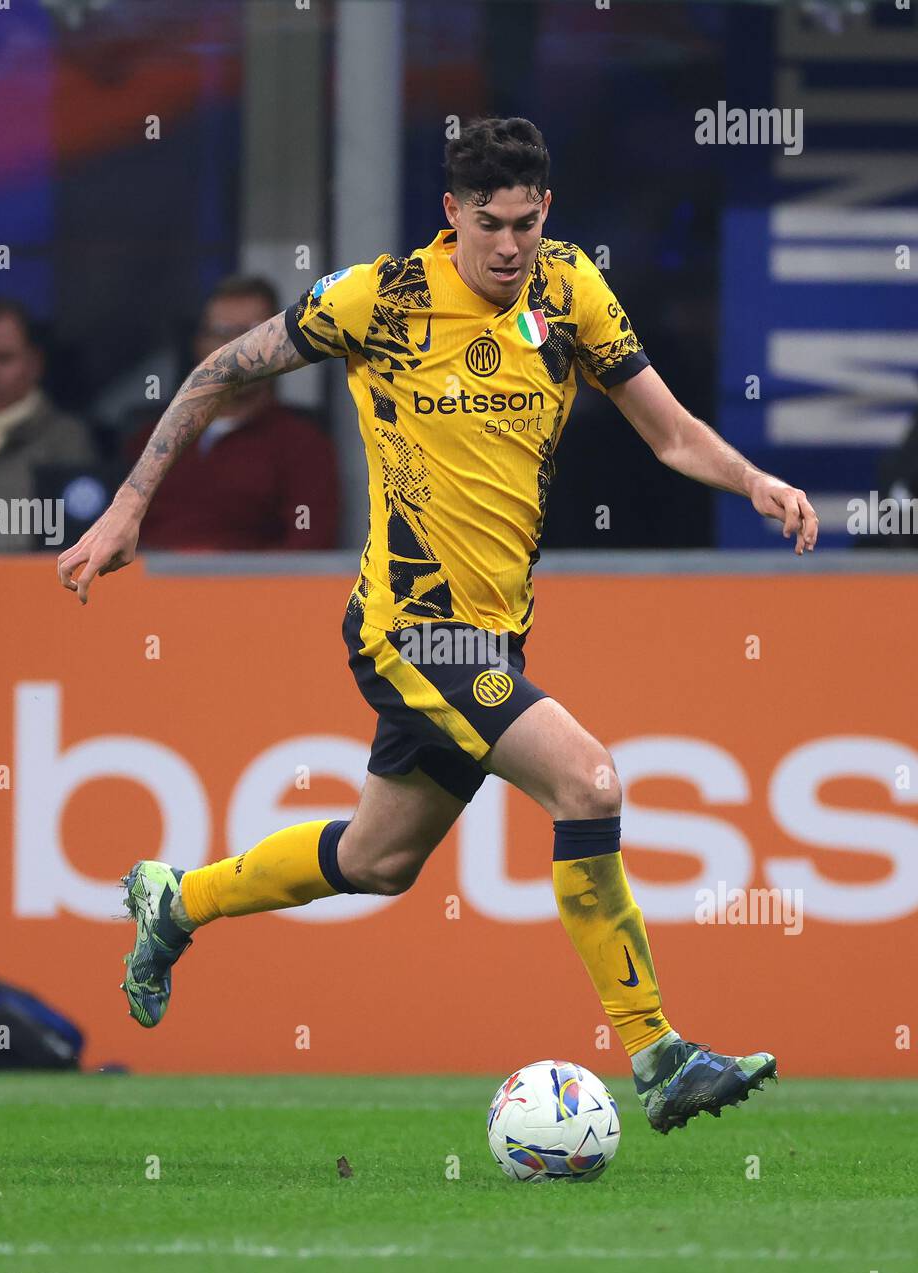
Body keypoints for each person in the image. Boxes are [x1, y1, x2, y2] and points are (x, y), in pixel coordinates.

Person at [57, 118, 818, 1135]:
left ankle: (176, 900)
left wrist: (755, 478)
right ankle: (658, 1051)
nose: (509, 248)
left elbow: (671, 433)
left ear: (546, 210)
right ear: (451, 214)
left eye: (526, 223)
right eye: (489, 225)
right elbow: (221, 371)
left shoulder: (570, 291)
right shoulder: (380, 299)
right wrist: (127, 505)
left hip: (492, 636)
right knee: (588, 779)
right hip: (412, 629)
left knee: (378, 861)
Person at [126, 274, 340, 550]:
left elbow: (308, 552)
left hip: (252, 590)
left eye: (252, 333)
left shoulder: (303, 445)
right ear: (198, 344)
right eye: (221, 332)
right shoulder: (149, 437)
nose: (235, 349)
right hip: (142, 590)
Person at [0, 297, 98, 552]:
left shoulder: (67, 440)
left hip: (30, 587)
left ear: (34, 363)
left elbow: (75, 540)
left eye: (3, 359)